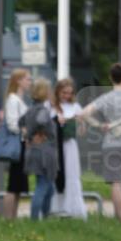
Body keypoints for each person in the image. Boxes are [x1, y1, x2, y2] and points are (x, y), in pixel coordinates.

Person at [82, 62, 121, 223]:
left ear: (111, 78)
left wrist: (99, 125)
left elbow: (85, 113)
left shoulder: (106, 98)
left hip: (111, 144)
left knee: (116, 184)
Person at [51, 77, 87, 220]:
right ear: (58, 91)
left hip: (70, 145)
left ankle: (72, 208)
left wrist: (80, 123)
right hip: (56, 146)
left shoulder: (76, 107)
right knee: (58, 174)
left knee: (72, 175)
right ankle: (57, 208)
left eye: (69, 93)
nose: (66, 96)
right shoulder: (52, 106)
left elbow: (81, 132)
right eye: (64, 93)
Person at [22, 78, 58, 220]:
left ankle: (45, 216)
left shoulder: (30, 109)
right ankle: (35, 219)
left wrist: (28, 135)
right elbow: (41, 121)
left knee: (49, 187)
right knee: (43, 186)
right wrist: (39, 133)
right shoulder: (43, 110)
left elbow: (21, 122)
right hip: (45, 152)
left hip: (35, 151)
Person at [2, 68, 31, 219]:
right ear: (19, 81)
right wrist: (26, 131)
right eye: (27, 79)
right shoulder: (13, 100)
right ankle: (8, 217)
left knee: (18, 184)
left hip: (22, 145)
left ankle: (13, 217)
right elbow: (12, 124)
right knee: (13, 185)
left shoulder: (19, 100)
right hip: (17, 146)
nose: (29, 82)